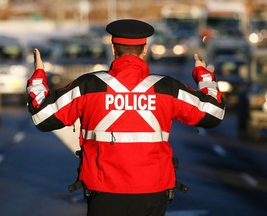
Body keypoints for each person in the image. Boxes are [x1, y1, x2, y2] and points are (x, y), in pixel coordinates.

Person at [27, 19, 225, 216]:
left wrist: (38, 75)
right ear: (145, 49)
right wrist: (204, 76)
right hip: (152, 193)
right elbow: (213, 112)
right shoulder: (167, 88)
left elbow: (42, 117)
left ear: (113, 49)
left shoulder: (88, 86)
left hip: (103, 193)